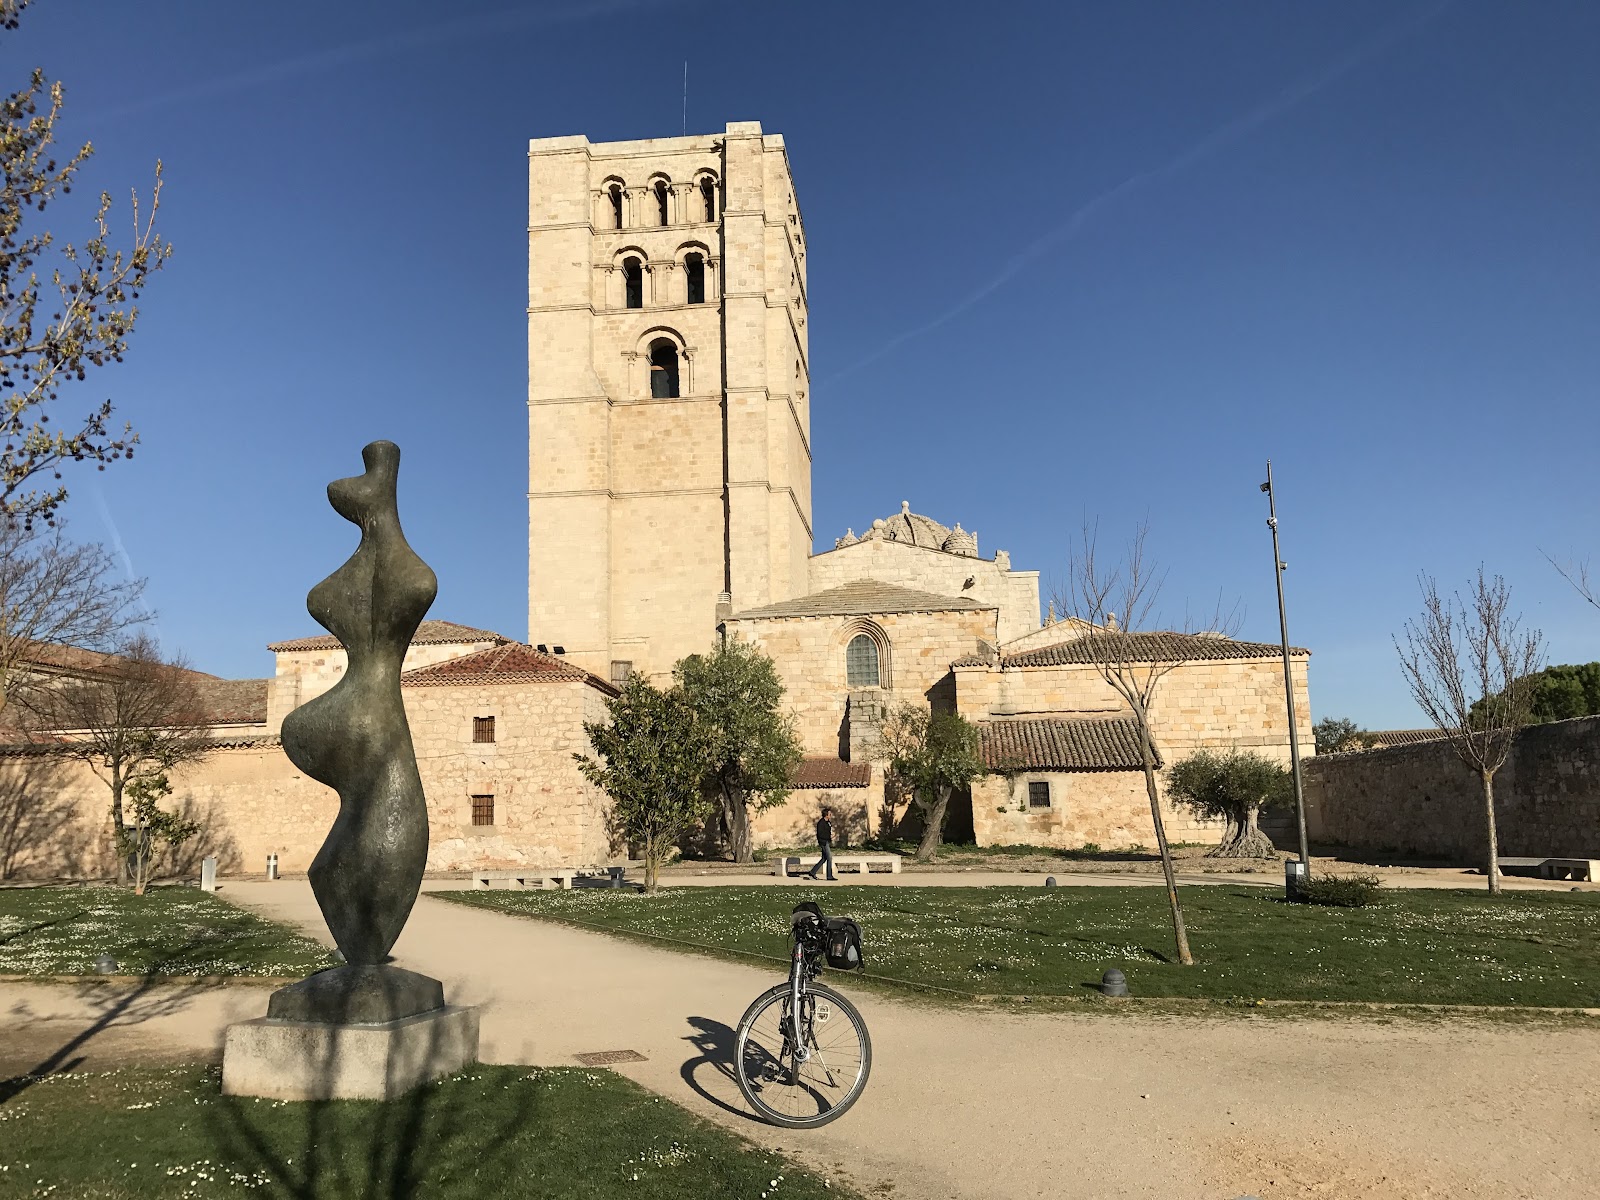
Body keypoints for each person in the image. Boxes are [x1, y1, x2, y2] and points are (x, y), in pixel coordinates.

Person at [806, 806, 836, 881]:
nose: (831, 815)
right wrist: (828, 837)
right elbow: (820, 834)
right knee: (829, 858)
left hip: (827, 841)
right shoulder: (821, 823)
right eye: (829, 814)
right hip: (823, 842)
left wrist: (831, 836)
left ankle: (812, 872)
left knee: (824, 858)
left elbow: (828, 831)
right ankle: (829, 876)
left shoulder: (828, 822)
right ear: (826, 815)